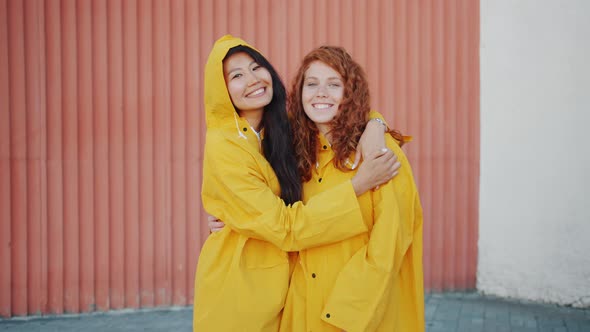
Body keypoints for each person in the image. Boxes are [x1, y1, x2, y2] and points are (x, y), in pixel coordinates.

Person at [194, 35, 399, 331]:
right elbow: (285, 227)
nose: (252, 80)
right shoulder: (225, 145)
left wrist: (375, 125)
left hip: (284, 292)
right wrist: (358, 185)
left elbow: (336, 107)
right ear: (220, 90)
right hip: (240, 290)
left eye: (256, 67)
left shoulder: (280, 128)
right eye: (236, 75)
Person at [277, 46, 425, 331]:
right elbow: (278, 221)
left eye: (334, 84)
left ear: (350, 95)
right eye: (312, 84)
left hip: (357, 315)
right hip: (303, 311)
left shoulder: (379, 152)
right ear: (299, 94)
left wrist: (346, 312)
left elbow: (390, 243)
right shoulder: (294, 156)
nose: (321, 92)